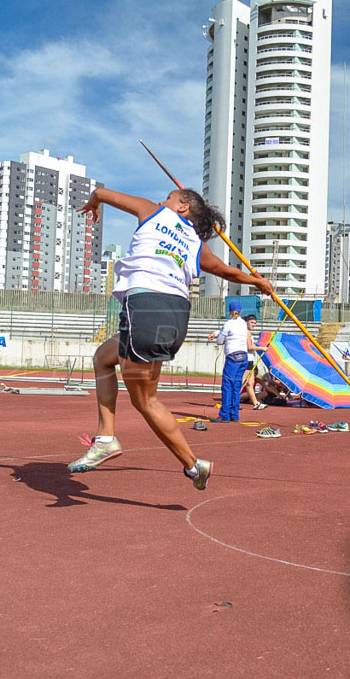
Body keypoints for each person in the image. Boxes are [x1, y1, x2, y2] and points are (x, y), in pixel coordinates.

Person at [67, 187, 273, 490]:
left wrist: (93, 204)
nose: (162, 200)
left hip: (147, 305)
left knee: (146, 400)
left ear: (183, 206)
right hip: (175, 314)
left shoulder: (152, 210)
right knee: (103, 357)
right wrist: (257, 281)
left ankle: (192, 464)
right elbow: (225, 271)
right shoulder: (195, 243)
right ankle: (106, 437)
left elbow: (100, 192)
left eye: (169, 197)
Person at [208, 302, 249, 422]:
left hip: (233, 357)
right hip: (243, 357)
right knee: (236, 386)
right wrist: (216, 333)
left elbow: (220, 340)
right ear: (240, 312)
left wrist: (217, 337)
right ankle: (234, 414)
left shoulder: (229, 323)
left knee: (227, 386)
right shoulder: (243, 323)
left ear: (229, 312)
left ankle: (224, 415)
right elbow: (226, 330)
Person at [242, 314, 268, 410]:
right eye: (252, 322)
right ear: (246, 322)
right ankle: (232, 402)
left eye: (255, 323)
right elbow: (249, 347)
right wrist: (262, 348)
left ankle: (255, 403)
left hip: (250, 359)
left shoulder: (248, 332)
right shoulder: (246, 332)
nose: (253, 324)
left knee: (250, 383)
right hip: (247, 359)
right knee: (244, 382)